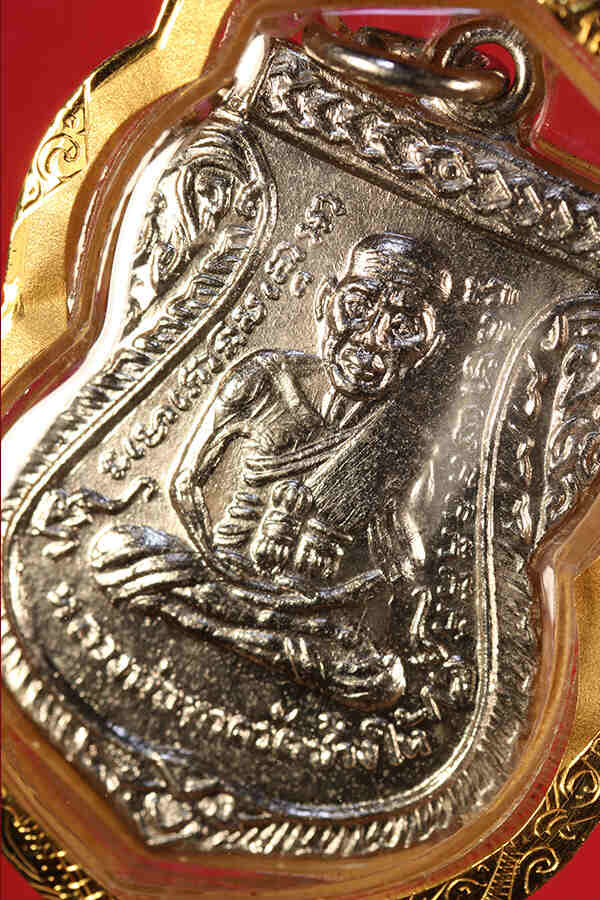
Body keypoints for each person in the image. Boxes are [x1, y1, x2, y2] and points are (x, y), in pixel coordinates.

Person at [91, 232, 451, 711]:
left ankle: (221, 628)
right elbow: (186, 481)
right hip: (223, 571)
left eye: (403, 327)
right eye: (359, 307)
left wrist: (328, 601)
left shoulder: (403, 440)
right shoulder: (265, 377)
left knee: (381, 681)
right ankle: (248, 635)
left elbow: (400, 562)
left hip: (300, 606)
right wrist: (216, 562)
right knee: (118, 549)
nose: (372, 340)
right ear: (326, 301)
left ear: (428, 348)